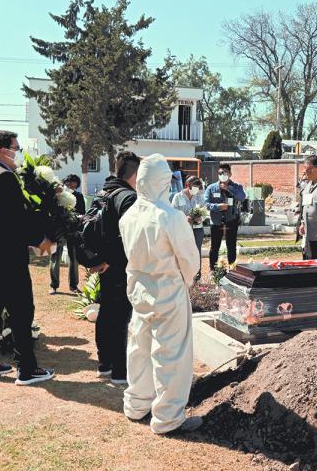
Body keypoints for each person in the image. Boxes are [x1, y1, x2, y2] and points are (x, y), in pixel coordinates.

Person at [119, 154, 202, 434]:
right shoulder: (170, 217)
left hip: (139, 290)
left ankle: (137, 404)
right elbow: (189, 259)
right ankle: (168, 417)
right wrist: (188, 280)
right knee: (171, 354)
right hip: (168, 291)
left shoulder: (129, 215)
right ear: (163, 182)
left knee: (139, 349)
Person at [0, 130, 55, 385]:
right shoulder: (5, 178)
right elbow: (16, 219)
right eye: (15, 148)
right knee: (21, 311)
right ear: (3, 151)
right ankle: (27, 369)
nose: (18, 153)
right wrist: (40, 239)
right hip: (6, 257)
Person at [91, 151, 139, 384]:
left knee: (106, 313)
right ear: (135, 173)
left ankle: (104, 364)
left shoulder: (102, 192)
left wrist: (99, 259)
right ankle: (120, 371)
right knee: (120, 317)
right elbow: (128, 236)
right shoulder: (128, 197)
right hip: (119, 266)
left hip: (103, 265)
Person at [49, 174, 86, 295]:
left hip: (73, 229)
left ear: (77, 184)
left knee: (74, 258)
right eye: (69, 181)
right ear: (64, 182)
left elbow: (82, 213)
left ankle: (74, 286)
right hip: (58, 229)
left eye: (74, 182)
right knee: (55, 257)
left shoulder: (79, 196)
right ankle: (54, 285)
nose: (71, 183)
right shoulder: (58, 194)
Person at [204, 164, 245, 270]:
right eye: (220, 173)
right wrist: (218, 207)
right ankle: (213, 270)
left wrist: (229, 189)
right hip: (216, 222)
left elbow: (242, 197)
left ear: (230, 174)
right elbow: (206, 204)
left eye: (225, 172)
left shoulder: (237, 187)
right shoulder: (211, 188)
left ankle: (232, 270)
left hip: (231, 220)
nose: (223, 175)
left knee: (231, 247)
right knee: (214, 247)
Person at [172, 176, 206, 281]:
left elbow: (205, 212)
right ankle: (183, 275)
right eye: (194, 186)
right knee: (183, 251)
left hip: (197, 229)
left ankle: (197, 276)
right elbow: (172, 214)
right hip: (182, 230)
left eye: (198, 187)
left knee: (196, 252)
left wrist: (201, 218)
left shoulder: (199, 197)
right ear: (187, 185)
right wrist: (184, 218)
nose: (196, 189)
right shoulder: (177, 197)